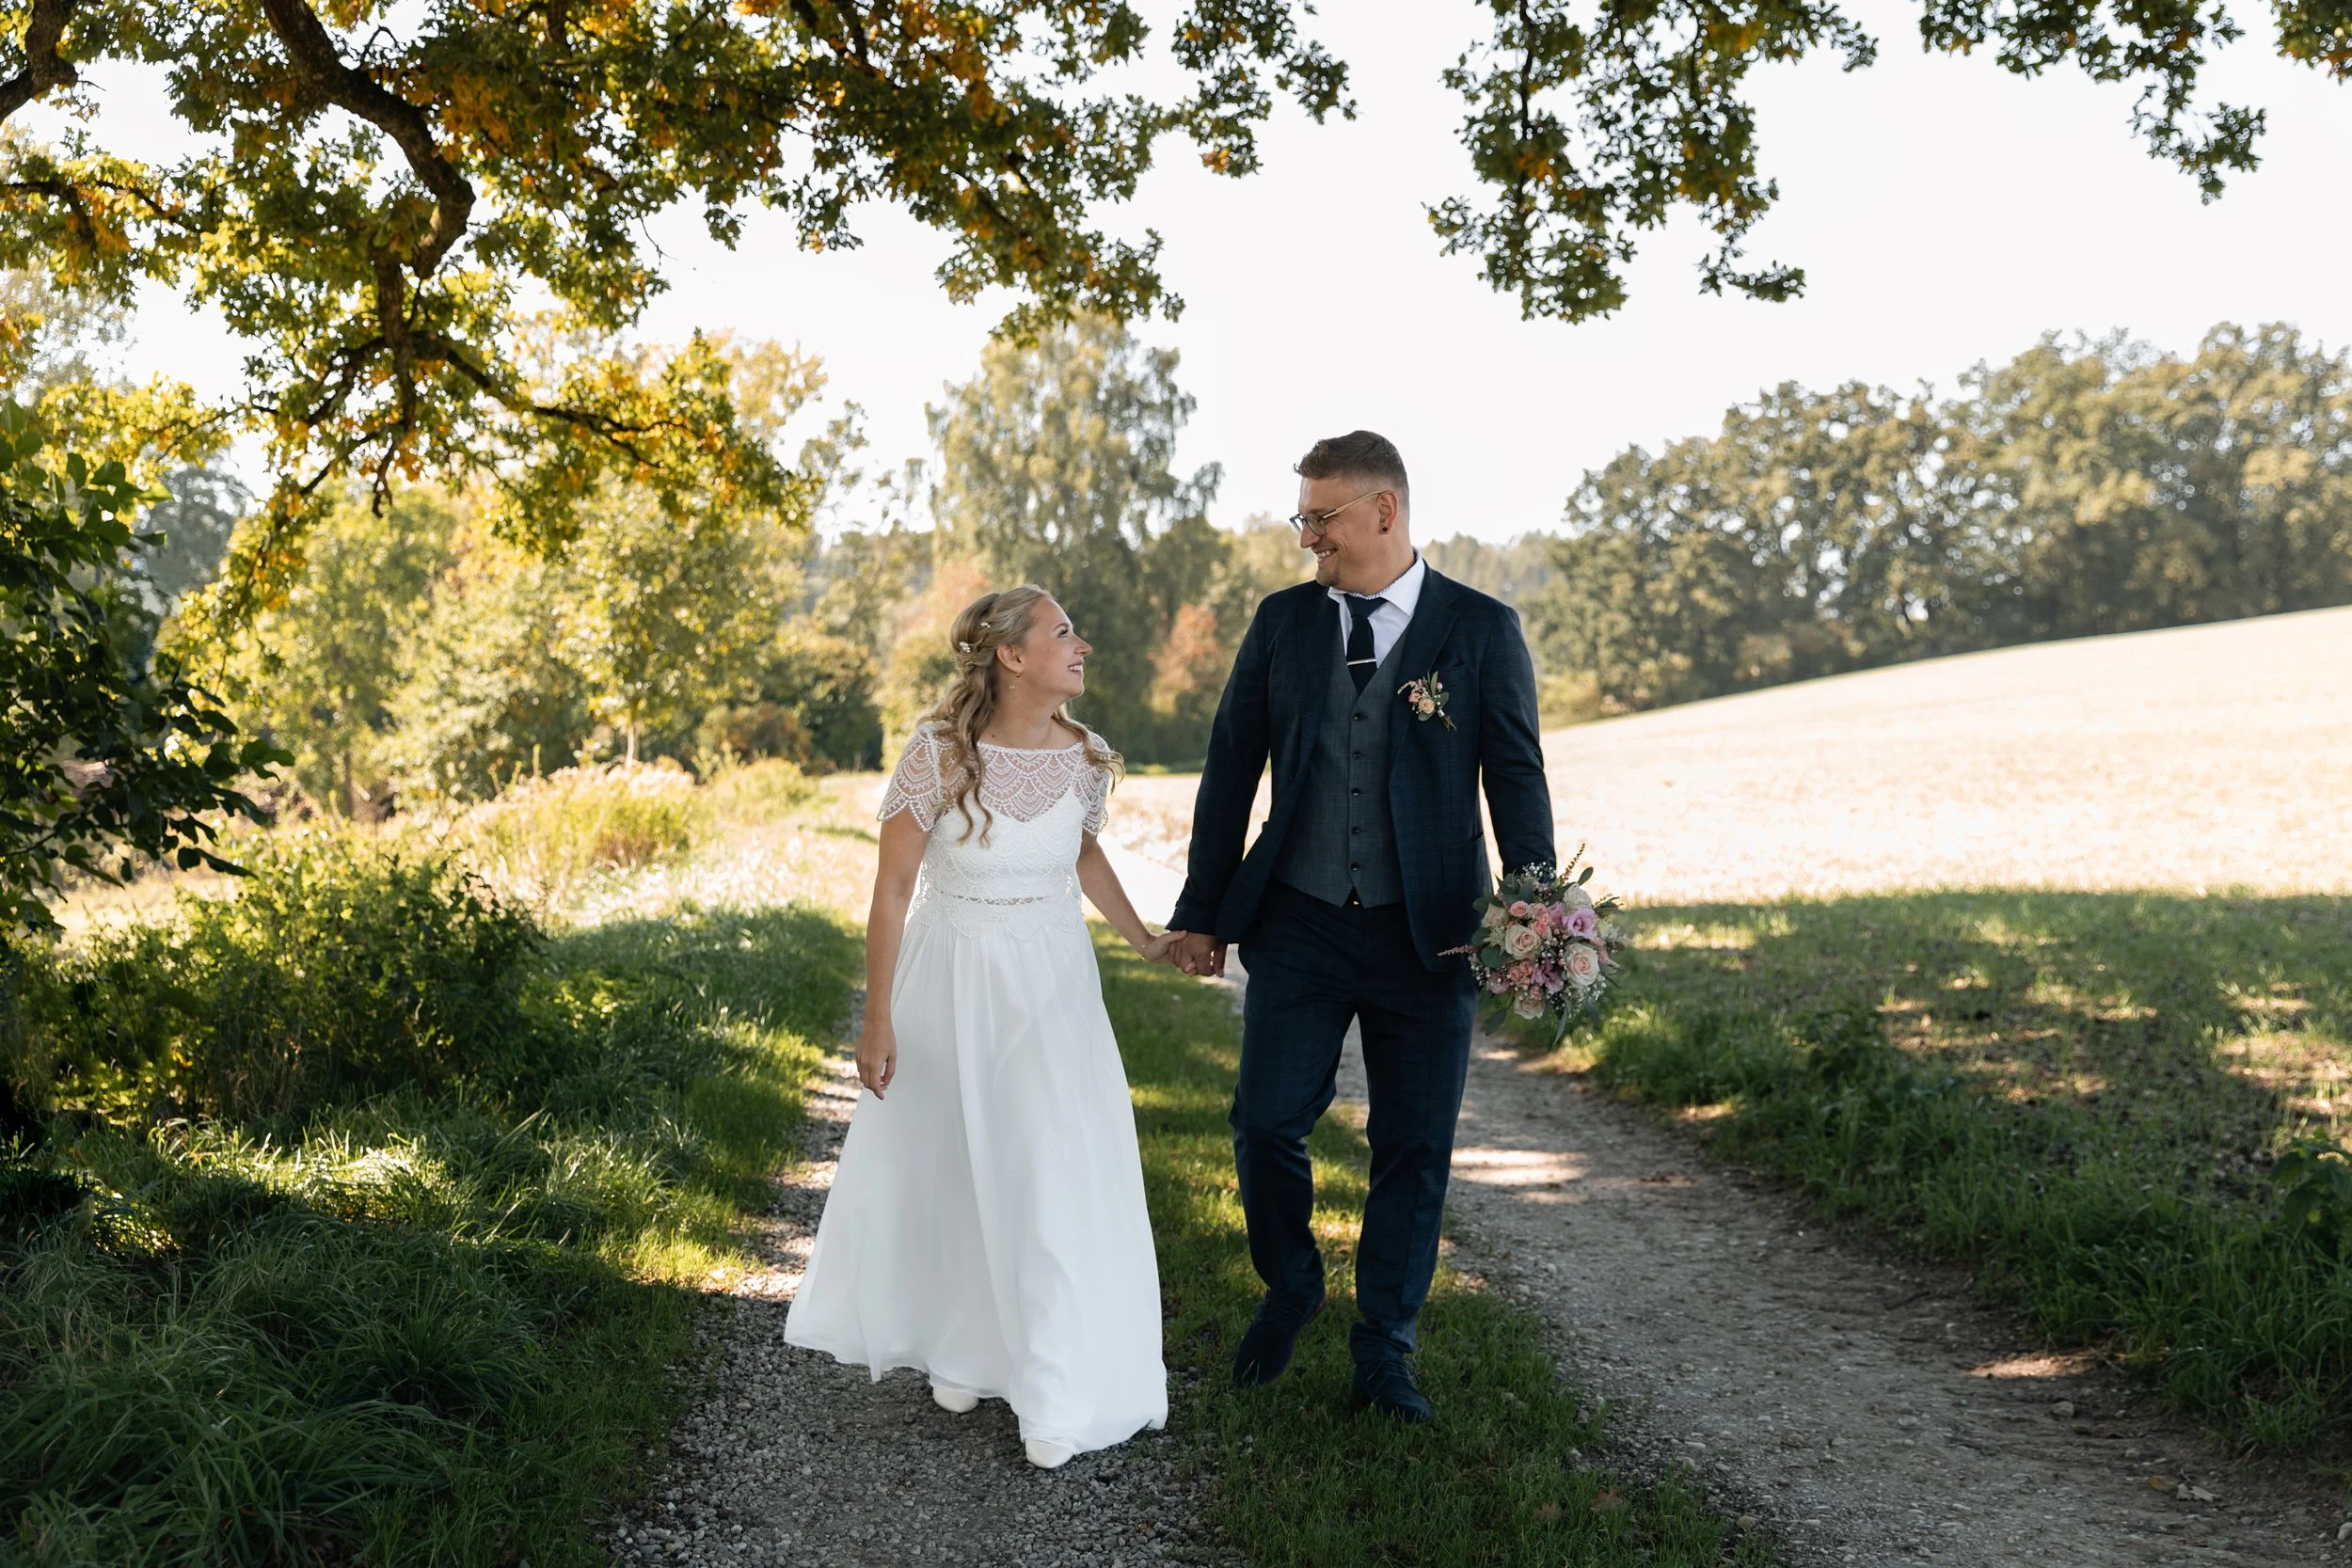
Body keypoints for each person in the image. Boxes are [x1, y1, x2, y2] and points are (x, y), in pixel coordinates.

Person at [1165, 430, 1555, 1423]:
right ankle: (1291, 1281)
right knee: (1262, 1121)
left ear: (1385, 510)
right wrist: (1203, 911)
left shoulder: (1480, 628)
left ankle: (1384, 1348)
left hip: (1430, 934)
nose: (1307, 539)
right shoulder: (1282, 623)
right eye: (1301, 517)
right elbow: (1229, 769)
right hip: (1295, 921)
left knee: (1413, 1147)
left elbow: (1513, 772)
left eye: (1322, 516)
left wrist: (1536, 908)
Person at [784, 585, 1176, 1470]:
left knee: (1048, 1166)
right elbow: (889, 890)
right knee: (962, 1164)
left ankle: (1055, 1393)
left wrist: (1144, 940)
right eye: (1064, 631)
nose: (1081, 644)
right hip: (953, 972)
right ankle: (965, 1348)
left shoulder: (1083, 755)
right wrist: (876, 1016)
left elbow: (1081, 853)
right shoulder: (939, 755)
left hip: (1053, 983)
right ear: (1012, 655)